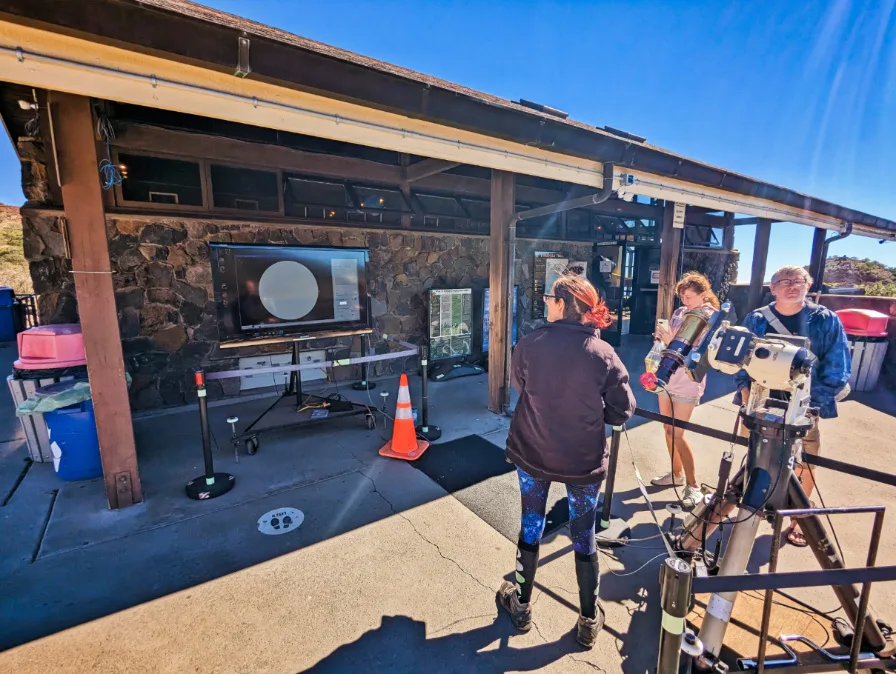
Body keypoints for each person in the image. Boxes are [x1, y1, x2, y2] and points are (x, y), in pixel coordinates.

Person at [497, 273, 636, 648]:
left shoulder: (529, 344)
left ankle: (521, 604)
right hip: (583, 460)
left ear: (562, 304)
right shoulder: (603, 353)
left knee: (531, 524)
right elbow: (623, 410)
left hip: (533, 452)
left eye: (548, 298)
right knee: (584, 533)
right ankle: (589, 619)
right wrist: (592, 414)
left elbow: (521, 387)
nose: (545, 303)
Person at [734, 265, 851, 547]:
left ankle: (799, 518)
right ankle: (753, 507)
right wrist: (745, 389)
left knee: (805, 461)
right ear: (772, 288)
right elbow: (741, 357)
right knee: (755, 455)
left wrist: (813, 406)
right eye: (784, 281)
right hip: (760, 401)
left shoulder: (824, 319)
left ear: (808, 286)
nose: (792, 285)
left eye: (799, 280)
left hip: (804, 403)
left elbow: (838, 367)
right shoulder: (757, 319)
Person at [649, 272, 720, 508]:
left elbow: (700, 352)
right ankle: (676, 474)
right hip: (667, 374)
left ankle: (693, 484)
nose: (685, 301)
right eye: (682, 296)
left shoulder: (711, 317)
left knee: (678, 433)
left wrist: (670, 339)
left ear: (704, 294)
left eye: (690, 296)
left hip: (688, 380)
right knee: (668, 429)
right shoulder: (680, 313)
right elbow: (672, 342)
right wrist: (661, 339)